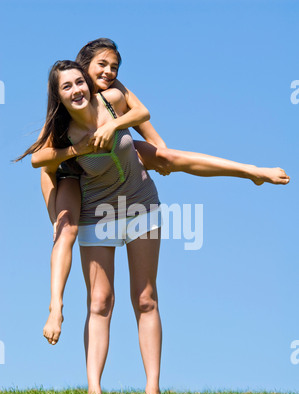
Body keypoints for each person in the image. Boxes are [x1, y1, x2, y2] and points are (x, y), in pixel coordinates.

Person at [26, 38, 290, 349]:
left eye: (114, 67)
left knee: (167, 158)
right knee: (66, 228)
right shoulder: (69, 101)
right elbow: (39, 159)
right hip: (67, 171)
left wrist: (158, 152)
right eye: (103, 65)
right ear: (82, 67)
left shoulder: (114, 92)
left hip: (113, 154)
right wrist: (74, 153)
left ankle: (251, 171)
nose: (109, 72)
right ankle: (55, 306)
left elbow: (145, 122)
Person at [19, 60, 163, 394]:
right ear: (58, 96)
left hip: (140, 206)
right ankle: (94, 389)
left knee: (145, 298)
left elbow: (142, 113)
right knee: (100, 301)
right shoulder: (62, 128)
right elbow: (37, 160)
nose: (75, 90)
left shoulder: (112, 99)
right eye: (65, 87)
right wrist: (76, 150)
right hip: (97, 214)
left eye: (78, 82)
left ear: (87, 82)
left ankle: (153, 390)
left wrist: (112, 128)